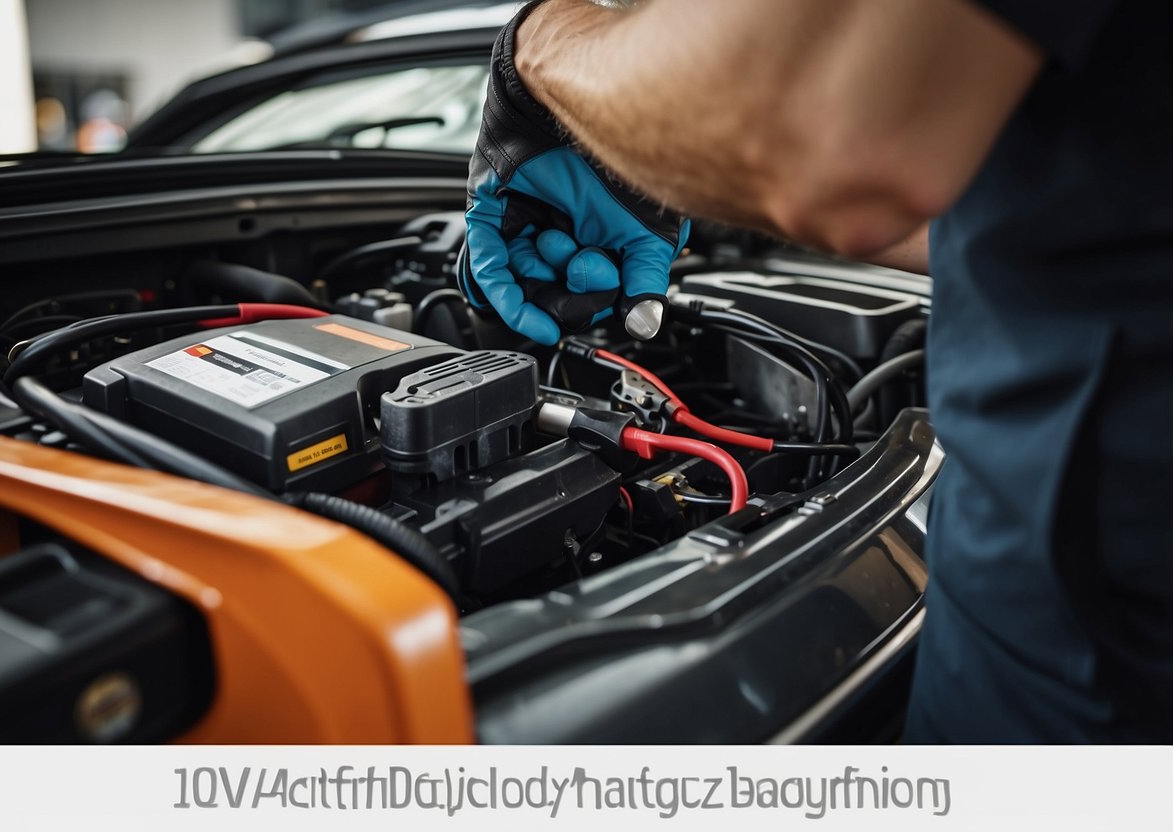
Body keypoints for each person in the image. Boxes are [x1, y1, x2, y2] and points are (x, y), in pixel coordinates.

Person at [459, 0, 1173, 742]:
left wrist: (530, 45)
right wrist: (691, 181)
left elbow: (821, 141)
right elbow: (1029, 204)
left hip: (1094, 625)